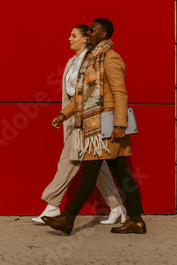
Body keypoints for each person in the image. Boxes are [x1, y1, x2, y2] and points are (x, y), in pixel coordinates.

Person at [43, 18, 146, 235]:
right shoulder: (91, 60)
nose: (88, 33)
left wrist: (120, 125)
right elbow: (82, 96)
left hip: (106, 128)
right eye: (88, 30)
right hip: (96, 126)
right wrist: (63, 114)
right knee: (122, 174)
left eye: (93, 30)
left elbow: (120, 93)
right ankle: (136, 220)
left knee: (91, 174)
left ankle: (68, 219)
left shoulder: (110, 58)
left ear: (104, 35)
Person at [32, 24, 127, 225]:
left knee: (69, 159)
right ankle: (118, 206)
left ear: (85, 38)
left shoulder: (94, 60)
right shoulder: (72, 62)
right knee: (97, 165)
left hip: (88, 119)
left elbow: (107, 92)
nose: (69, 38)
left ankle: (52, 204)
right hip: (73, 117)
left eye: (74, 35)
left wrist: (119, 123)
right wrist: (63, 115)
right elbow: (72, 94)